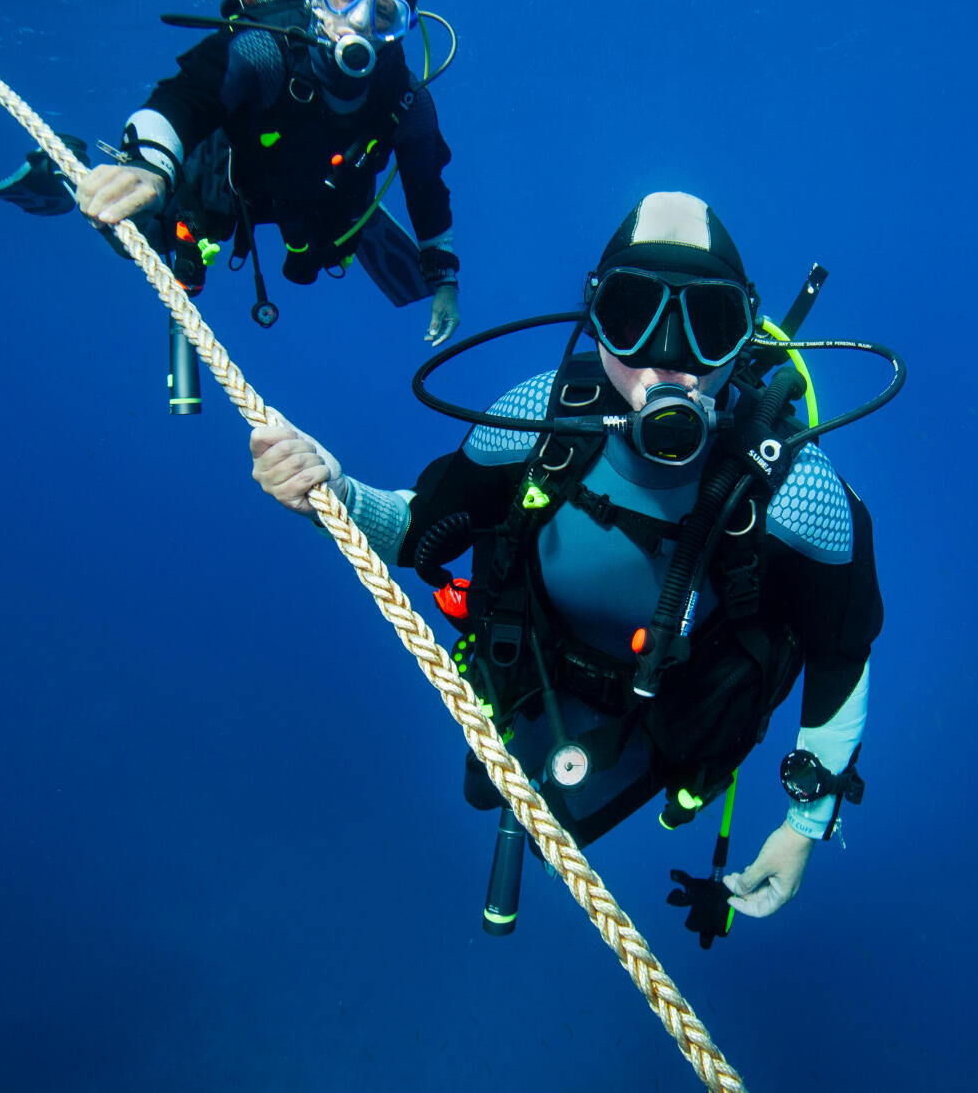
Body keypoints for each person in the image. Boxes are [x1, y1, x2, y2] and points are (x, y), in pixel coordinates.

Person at [251, 192, 891, 938]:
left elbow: (841, 654)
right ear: (595, 318)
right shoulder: (539, 417)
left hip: (668, 716)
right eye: (633, 314)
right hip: (536, 677)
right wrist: (337, 489)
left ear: (742, 334)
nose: (668, 356)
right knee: (486, 795)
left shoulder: (797, 495)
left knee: (556, 840)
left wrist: (803, 825)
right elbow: (417, 533)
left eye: (708, 325)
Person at [0, 0, 462, 344]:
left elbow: (426, 186)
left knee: (321, 250)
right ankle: (63, 171)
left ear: (402, 29)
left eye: (384, 13)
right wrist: (151, 168)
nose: (358, 20)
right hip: (231, 181)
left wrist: (444, 281)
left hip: (315, 200)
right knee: (145, 234)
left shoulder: (406, 100)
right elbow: (184, 98)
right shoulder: (265, 51)